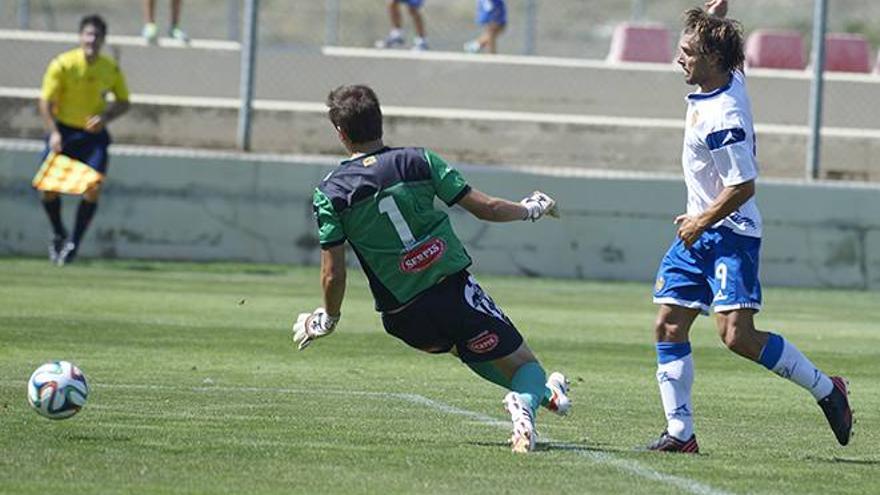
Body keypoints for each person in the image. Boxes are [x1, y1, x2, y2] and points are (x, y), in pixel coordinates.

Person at [293, 84, 570, 453]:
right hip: (450, 292)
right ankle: (529, 398)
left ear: (340, 133)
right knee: (526, 364)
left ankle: (546, 395)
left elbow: (333, 273)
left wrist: (327, 319)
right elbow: (486, 208)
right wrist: (531, 208)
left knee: (468, 348)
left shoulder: (330, 192)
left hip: (403, 318)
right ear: (381, 121)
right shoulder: (419, 161)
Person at [647, 0, 852, 453]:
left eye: (688, 52)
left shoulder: (726, 120)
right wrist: (714, 15)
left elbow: (743, 187)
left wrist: (701, 218)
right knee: (668, 324)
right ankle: (680, 434)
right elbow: (723, 45)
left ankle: (826, 389)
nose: (679, 58)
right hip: (699, 231)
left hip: (730, 233)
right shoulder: (729, 75)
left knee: (736, 336)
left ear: (714, 60)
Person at [37, 15, 130, 266]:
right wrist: (54, 132)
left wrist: (105, 117)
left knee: (93, 188)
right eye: (88, 34)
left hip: (93, 137)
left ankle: (73, 244)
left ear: (103, 40)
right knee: (48, 188)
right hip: (64, 132)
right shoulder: (63, 64)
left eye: (97, 35)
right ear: (80, 37)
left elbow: (124, 102)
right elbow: (44, 102)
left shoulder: (109, 69)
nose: (92, 39)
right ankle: (58, 231)